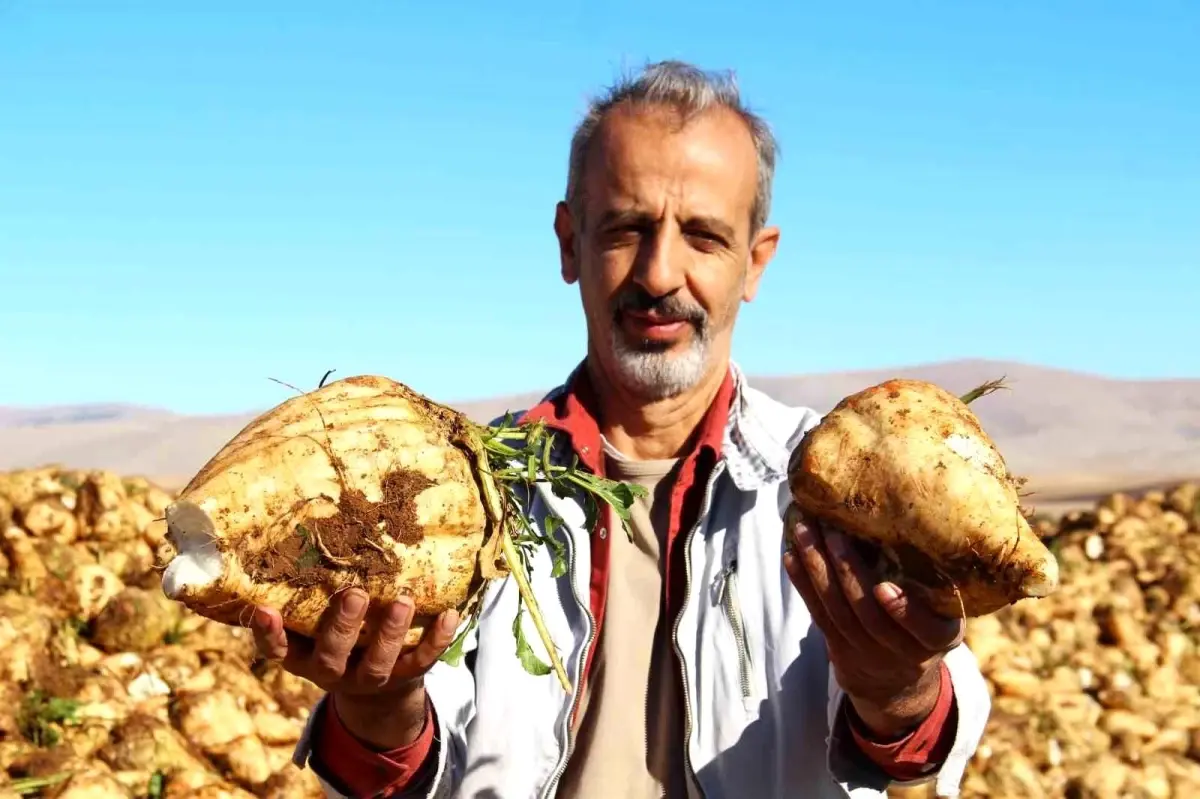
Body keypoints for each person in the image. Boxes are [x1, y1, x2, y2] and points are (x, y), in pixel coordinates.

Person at [253, 60, 991, 798]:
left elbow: (929, 735)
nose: (661, 272)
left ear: (755, 262)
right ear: (570, 242)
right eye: (627, 228)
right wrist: (378, 700)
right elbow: (394, 765)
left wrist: (897, 689)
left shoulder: (835, 490)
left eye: (703, 236)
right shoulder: (462, 495)